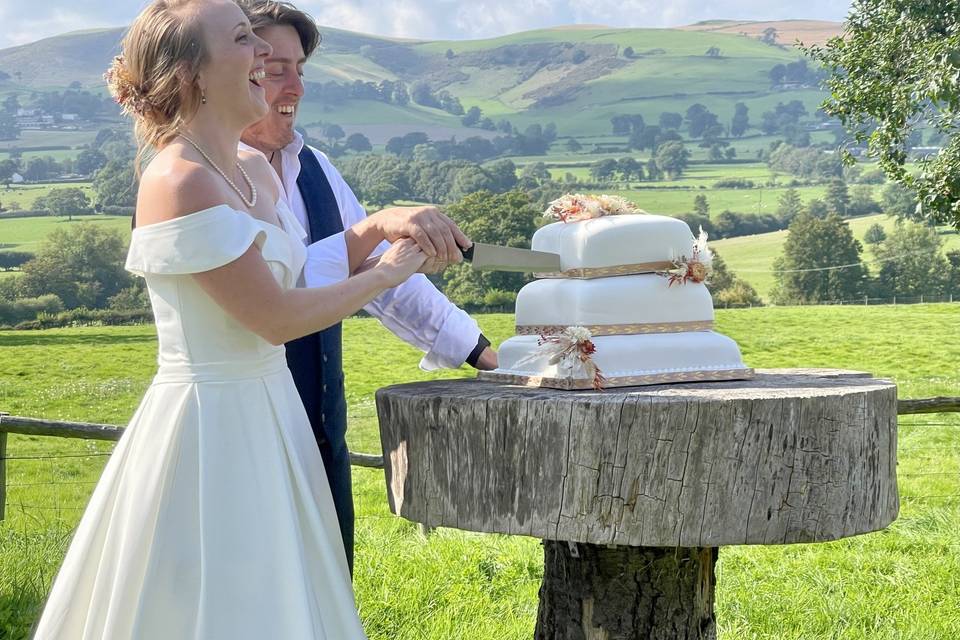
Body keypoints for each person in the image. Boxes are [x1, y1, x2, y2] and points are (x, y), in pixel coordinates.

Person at [32, 0, 450, 636]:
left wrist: (393, 262)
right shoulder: (178, 180)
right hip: (211, 425)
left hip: (273, 409)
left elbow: (306, 273)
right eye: (242, 40)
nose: (262, 53)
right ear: (193, 73)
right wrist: (388, 272)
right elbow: (273, 316)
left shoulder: (255, 169)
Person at [236, 0, 497, 574]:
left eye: (300, 68)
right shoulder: (209, 175)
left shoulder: (318, 170)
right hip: (243, 424)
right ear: (232, 67)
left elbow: (385, 279)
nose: (295, 86)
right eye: (275, 67)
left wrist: (482, 353)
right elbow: (283, 288)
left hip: (320, 419)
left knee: (324, 583)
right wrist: (376, 228)